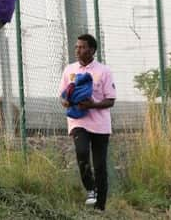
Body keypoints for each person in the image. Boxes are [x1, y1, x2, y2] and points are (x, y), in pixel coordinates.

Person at [59, 34, 116, 211]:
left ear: (91, 50)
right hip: (78, 121)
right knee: (82, 154)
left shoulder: (103, 71)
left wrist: (93, 104)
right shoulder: (70, 70)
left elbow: (111, 100)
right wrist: (66, 101)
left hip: (100, 125)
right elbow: (62, 95)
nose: (77, 50)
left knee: (100, 166)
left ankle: (100, 207)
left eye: (82, 47)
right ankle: (91, 189)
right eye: (76, 47)